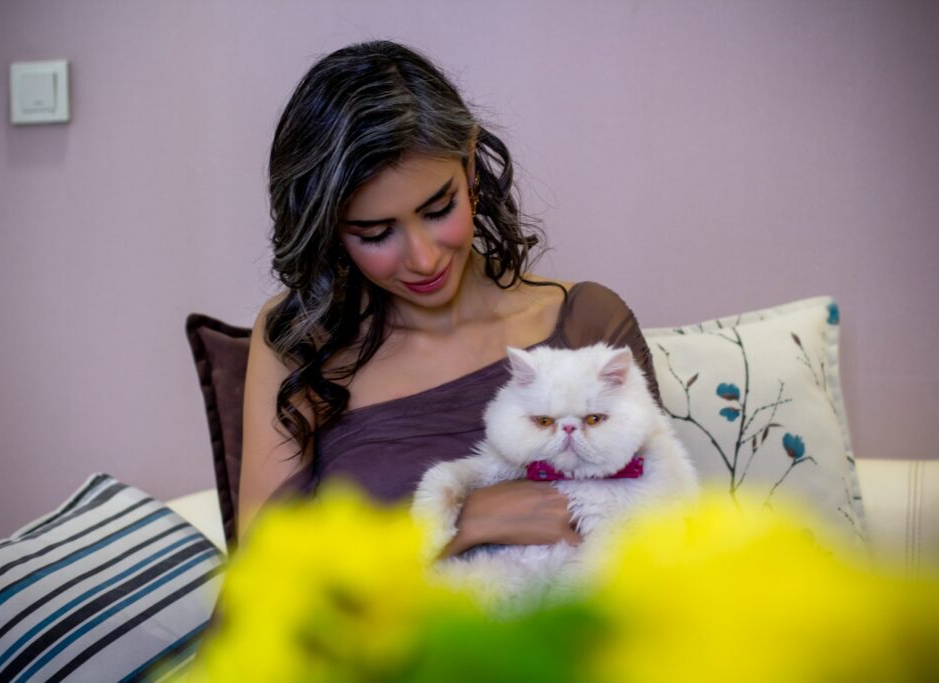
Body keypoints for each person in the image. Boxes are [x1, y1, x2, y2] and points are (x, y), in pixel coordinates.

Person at [237, 40, 659, 556]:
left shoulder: (587, 323)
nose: (423, 258)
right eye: (375, 234)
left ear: (470, 165)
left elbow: (657, 536)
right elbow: (265, 578)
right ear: (330, 231)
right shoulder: (301, 339)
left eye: (439, 209)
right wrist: (465, 517)